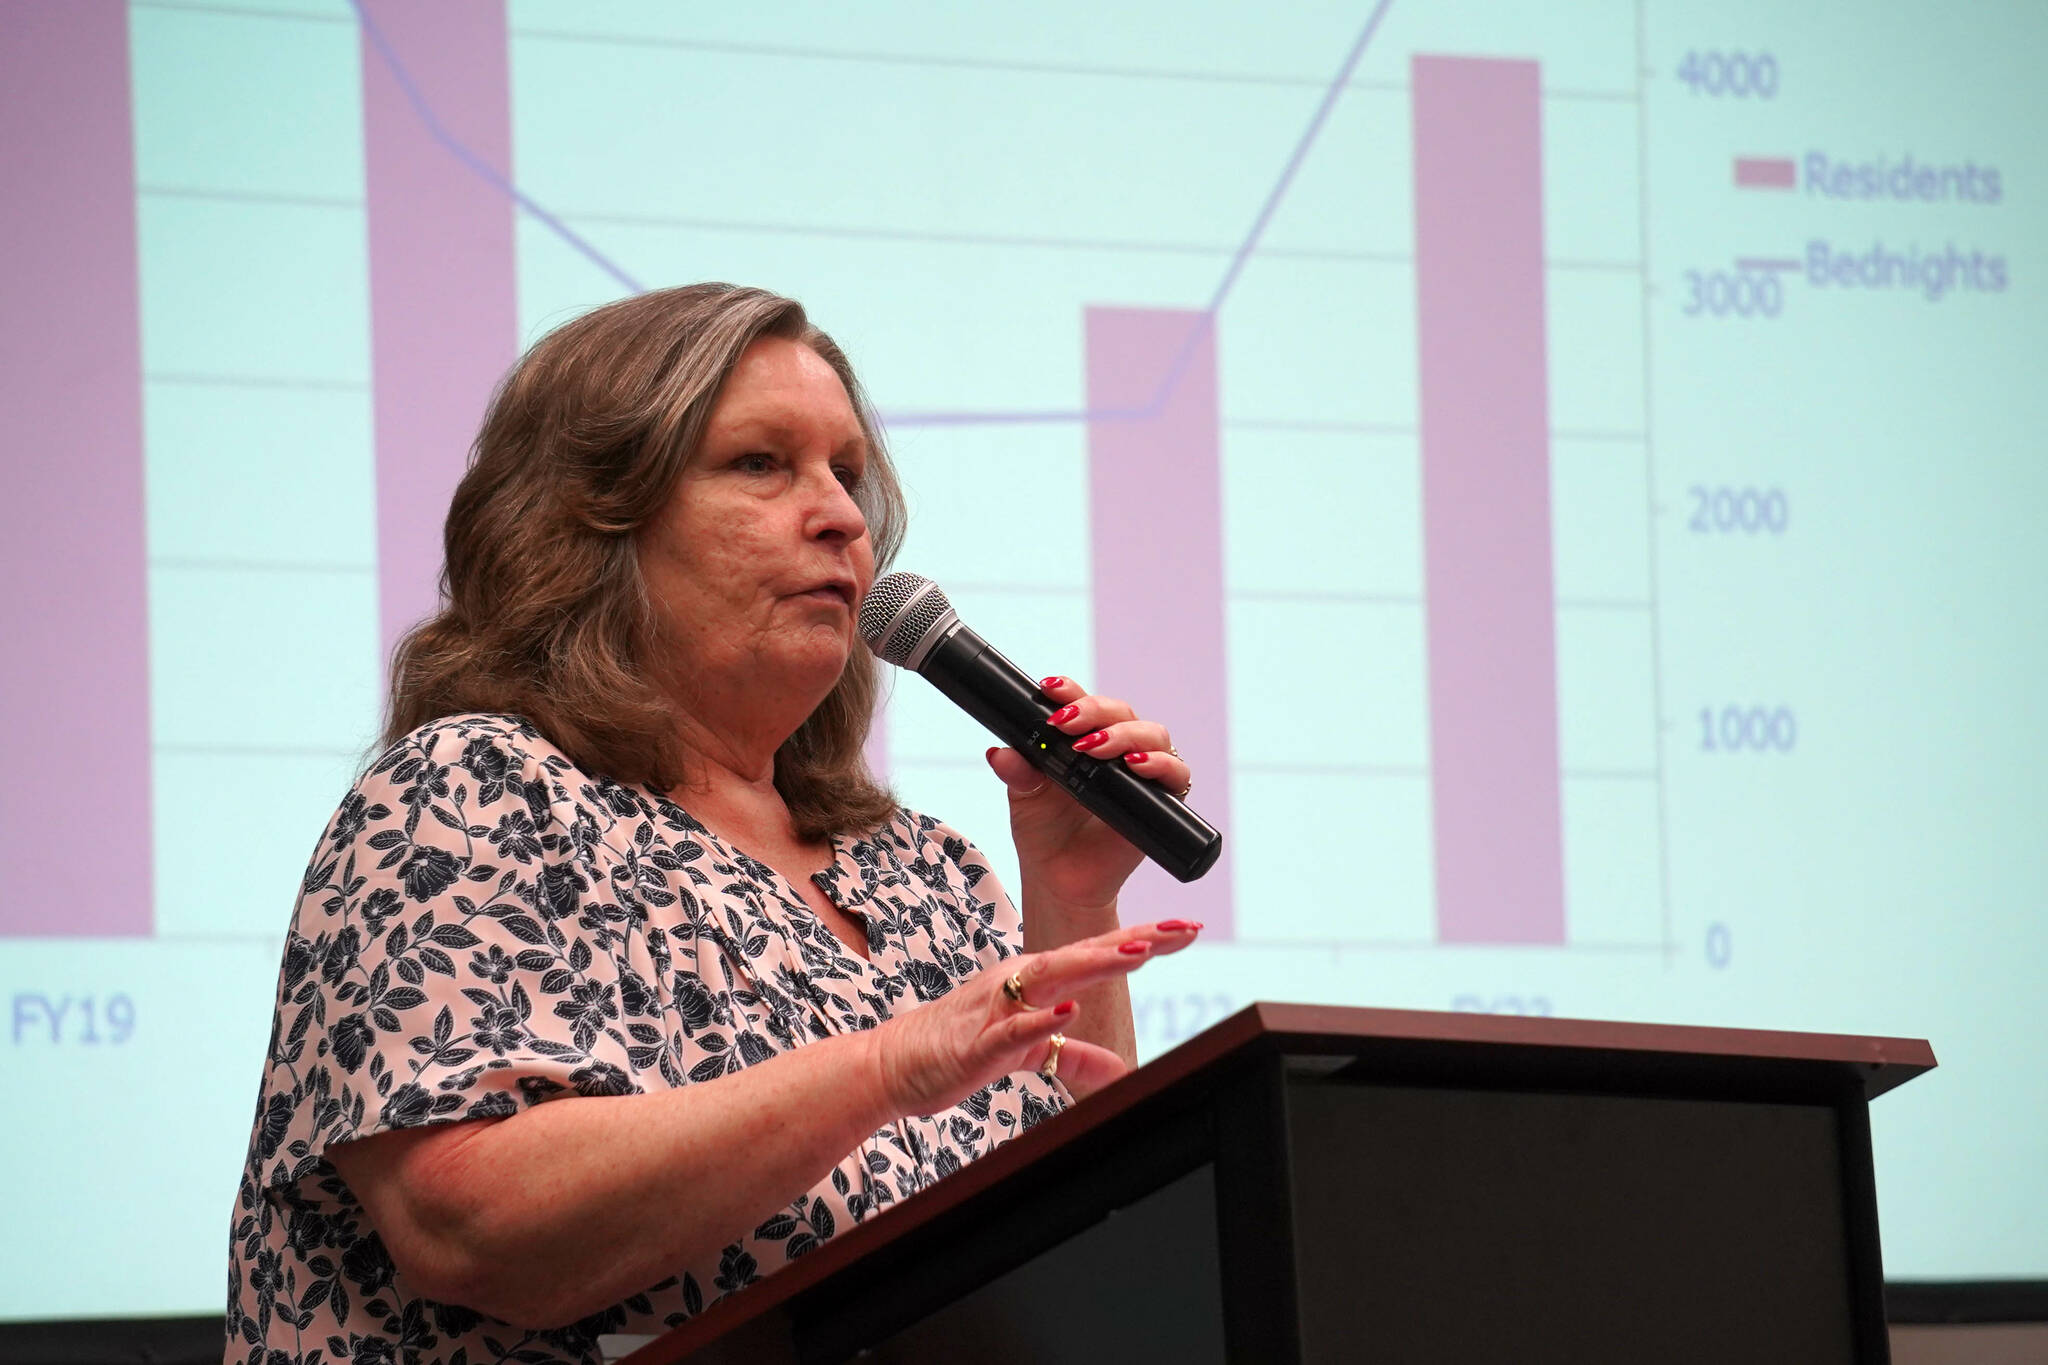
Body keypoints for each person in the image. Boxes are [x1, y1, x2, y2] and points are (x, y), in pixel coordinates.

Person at [224, 284, 1203, 1364]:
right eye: (759, 464)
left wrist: (1073, 894)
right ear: (589, 524)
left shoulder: (926, 873)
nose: (838, 514)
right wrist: (885, 1068)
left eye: (846, 474)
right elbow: (472, 1228)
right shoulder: (470, 793)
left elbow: (1081, 1229)